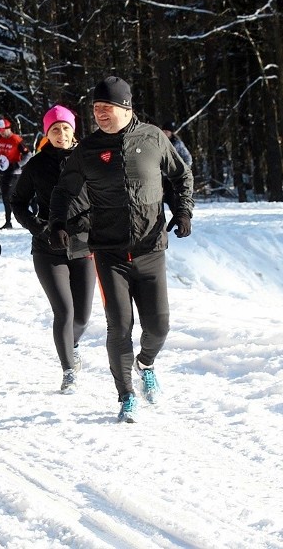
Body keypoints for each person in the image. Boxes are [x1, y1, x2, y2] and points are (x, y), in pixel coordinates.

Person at [48, 76, 194, 423]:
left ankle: (146, 364)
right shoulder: (87, 150)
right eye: (95, 109)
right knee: (119, 326)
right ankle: (126, 395)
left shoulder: (153, 137)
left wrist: (184, 210)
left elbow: (181, 175)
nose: (99, 114)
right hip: (110, 253)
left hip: (151, 248)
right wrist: (56, 223)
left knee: (159, 326)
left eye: (106, 108)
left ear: (125, 108)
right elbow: (63, 192)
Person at [12, 105, 94, 394]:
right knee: (64, 311)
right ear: (47, 134)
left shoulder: (89, 159)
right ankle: (69, 370)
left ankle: (72, 346)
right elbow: (18, 202)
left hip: (84, 246)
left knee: (82, 316)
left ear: (74, 131)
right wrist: (39, 228)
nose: (61, 134)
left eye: (66, 128)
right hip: (48, 250)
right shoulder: (36, 165)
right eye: (55, 129)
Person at [0, 117, 29, 229]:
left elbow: (28, 154)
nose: (1, 133)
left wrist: (18, 164)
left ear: (8, 128)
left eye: (3, 130)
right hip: (4, 171)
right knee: (5, 197)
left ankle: (23, 218)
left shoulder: (16, 140)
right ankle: (8, 221)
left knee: (10, 196)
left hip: (14, 173)